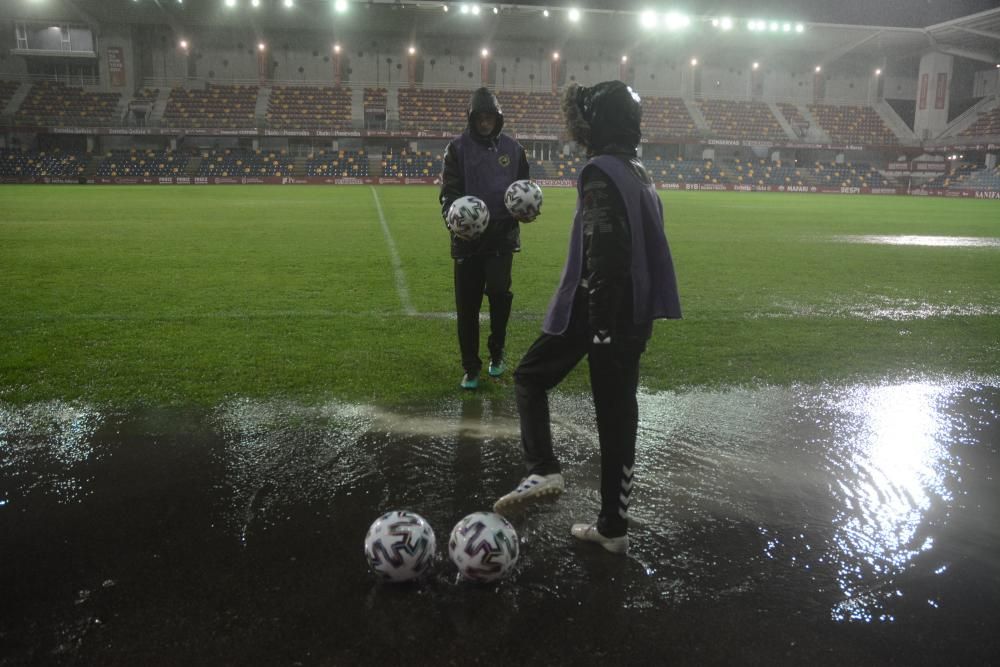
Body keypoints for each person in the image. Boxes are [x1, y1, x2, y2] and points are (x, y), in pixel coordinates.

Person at [492, 80, 682, 554]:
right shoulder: (639, 171)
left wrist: (598, 327)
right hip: (636, 309)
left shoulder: (599, 171)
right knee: (619, 416)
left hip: (599, 306)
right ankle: (613, 528)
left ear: (596, 124)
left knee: (530, 378)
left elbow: (605, 252)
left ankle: (542, 468)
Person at [440, 87, 532, 390]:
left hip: (502, 237)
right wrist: (454, 222)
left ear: (497, 117)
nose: (484, 123)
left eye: (489, 117)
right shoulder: (457, 149)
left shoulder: (514, 149)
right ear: (471, 118)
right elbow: (448, 195)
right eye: (479, 118)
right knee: (466, 305)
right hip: (466, 240)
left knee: (499, 294)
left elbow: (522, 190)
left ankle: (497, 351)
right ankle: (471, 367)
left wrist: (525, 211)